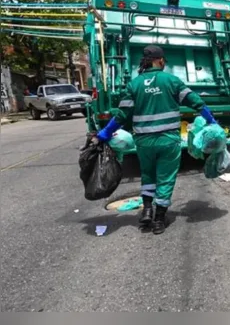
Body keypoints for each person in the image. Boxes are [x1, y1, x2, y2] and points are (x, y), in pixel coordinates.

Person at [93, 45, 217, 235]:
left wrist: (106, 132)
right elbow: (197, 102)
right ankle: (159, 219)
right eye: (163, 60)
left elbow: (122, 114)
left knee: (148, 175)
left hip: (144, 142)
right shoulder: (171, 81)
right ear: (159, 60)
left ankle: (147, 211)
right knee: (165, 178)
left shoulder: (134, 84)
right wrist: (212, 121)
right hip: (168, 141)